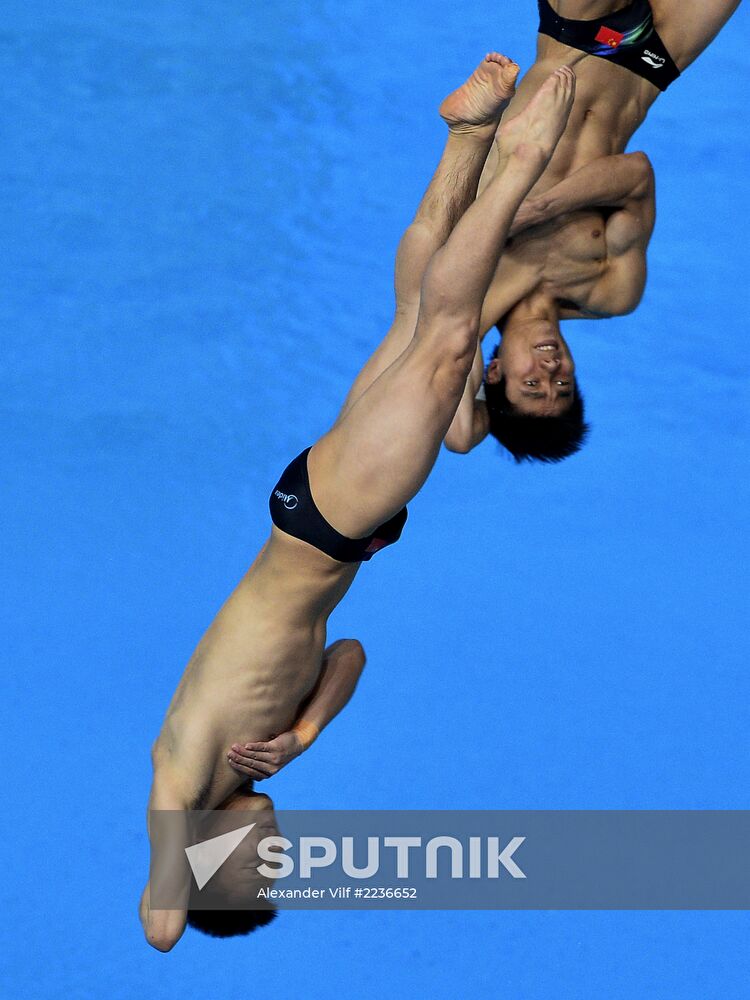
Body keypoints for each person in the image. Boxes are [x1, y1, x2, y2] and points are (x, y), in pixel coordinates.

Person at [140, 53, 578, 951]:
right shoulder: (267, 750)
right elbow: (350, 652)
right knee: (418, 322)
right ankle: (466, 141)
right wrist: (302, 733)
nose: (281, 851)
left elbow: (160, 929)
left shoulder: (184, 775)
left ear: (217, 860)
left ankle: (520, 159)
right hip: (334, 523)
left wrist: (190, 867)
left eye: (263, 866)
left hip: (327, 523)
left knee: (450, 339)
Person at [440, 0, 741, 462]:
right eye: (562, 384)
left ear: (494, 372)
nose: (550, 367)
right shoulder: (611, 291)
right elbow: (637, 174)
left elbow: (459, 435)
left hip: (574, 40)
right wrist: (535, 210)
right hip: (652, 60)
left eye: (532, 383)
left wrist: (492, 414)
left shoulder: (472, 289)